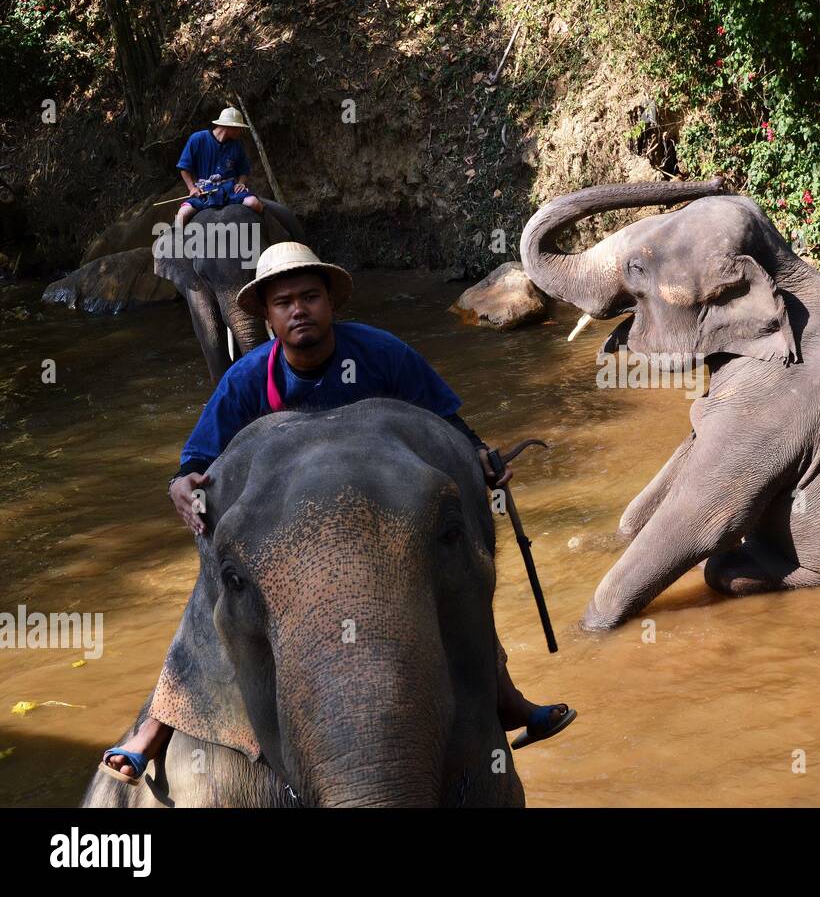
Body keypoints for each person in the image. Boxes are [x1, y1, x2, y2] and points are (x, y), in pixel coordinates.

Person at [100, 242, 574, 783]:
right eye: (284, 303)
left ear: (331, 303)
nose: (298, 310)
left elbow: (447, 426)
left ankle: (503, 695)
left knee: (456, 577)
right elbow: (197, 461)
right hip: (286, 543)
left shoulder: (382, 354)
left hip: (382, 528)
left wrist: (481, 459)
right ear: (268, 317)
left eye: (309, 297)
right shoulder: (248, 380)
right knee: (216, 586)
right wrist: (181, 486)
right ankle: (161, 722)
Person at [174, 107, 265, 229]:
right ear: (229, 127)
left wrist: (241, 183)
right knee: (182, 214)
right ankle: (175, 243)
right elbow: (184, 167)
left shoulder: (237, 146)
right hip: (204, 191)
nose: (240, 131)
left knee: (254, 203)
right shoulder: (197, 139)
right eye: (239, 128)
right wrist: (192, 188)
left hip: (230, 191)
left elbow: (244, 170)